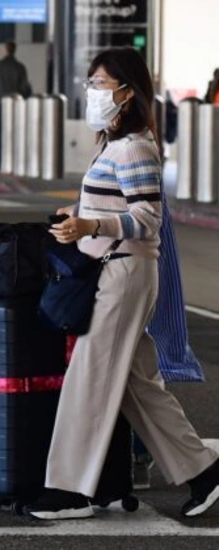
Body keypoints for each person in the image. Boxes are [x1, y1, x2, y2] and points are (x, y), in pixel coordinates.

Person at [26, 47, 219, 521]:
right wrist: (80, 214)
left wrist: (92, 226)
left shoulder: (134, 147)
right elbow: (117, 203)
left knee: (89, 378)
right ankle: (206, 473)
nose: (92, 91)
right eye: (90, 83)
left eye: (101, 84)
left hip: (124, 273)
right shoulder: (114, 143)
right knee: (137, 386)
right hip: (116, 269)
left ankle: (69, 490)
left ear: (127, 93)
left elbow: (148, 217)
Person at [0, 42, 31, 169]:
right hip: (15, 104)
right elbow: (24, 87)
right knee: (14, 133)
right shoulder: (20, 67)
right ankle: (13, 161)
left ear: (5, 50)